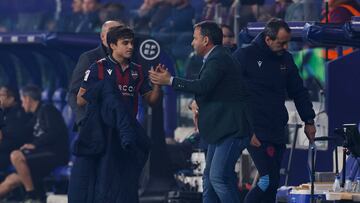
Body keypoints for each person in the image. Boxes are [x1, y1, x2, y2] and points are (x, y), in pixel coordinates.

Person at [149, 21, 251, 203]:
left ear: (205, 40)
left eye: (194, 38)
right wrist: (196, 102)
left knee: (218, 178)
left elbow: (204, 85)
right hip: (220, 130)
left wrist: (171, 80)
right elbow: (213, 89)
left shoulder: (218, 58)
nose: (192, 43)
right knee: (210, 180)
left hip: (230, 130)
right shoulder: (217, 57)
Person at [232, 18, 317, 203]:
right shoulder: (245, 55)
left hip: (277, 128)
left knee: (274, 183)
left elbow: (298, 91)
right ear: (268, 40)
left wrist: (309, 120)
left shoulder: (286, 59)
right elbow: (228, 88)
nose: (286, 47)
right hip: (255, 130)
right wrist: (246, 128)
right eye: (282, 43)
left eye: (288, 42)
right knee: (266, 179)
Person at [0, 85, 69, 202]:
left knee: (16, 156)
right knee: (10, 181)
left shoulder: (48, 110)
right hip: (40, 157)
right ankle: (37, 195)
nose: (22, 104)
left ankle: (32, 196)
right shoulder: (35, 116)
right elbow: (21, 132)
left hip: (54, 154)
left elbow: (54, 132)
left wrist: (35, 145)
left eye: (22, 101)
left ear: (27, 99)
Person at [68, 20, 123, 127]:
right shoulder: (89, 58)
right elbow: (74, 93)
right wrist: (84, 120)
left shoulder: (132, 60)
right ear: (102, 37)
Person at [0, 85, 33, 172]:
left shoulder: (19, 114)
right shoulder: (4, 112)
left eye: (1, 95)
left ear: (11, 98)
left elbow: (14, 140)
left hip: (12, 152)